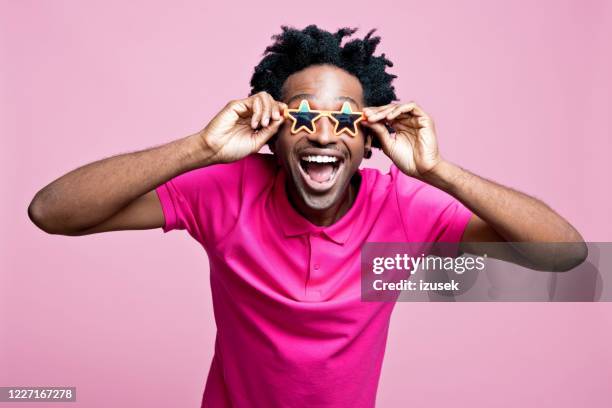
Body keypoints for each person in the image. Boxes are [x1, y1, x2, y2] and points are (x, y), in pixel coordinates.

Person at [28, 25, 586, 407]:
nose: (322, 134)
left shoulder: (402, 206)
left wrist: (438, 171)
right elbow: (51, 212)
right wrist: (201, 146)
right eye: (302, 118)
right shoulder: (225, 191)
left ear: (371, 138)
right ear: (272, 133)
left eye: (344, 121)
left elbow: (567, 256)